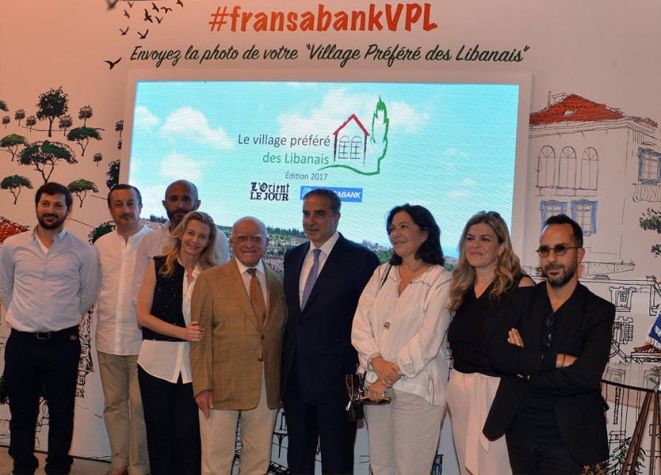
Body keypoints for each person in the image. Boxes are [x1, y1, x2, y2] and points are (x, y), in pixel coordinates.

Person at [483, 214, 615, 474]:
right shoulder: (519, 300)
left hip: (570, 435)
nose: (551, 258)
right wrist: (554, 360)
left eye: (560, 249)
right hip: (519, 427)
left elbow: (586, 375)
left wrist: (525, 368)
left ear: (579, 254)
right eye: (544, 250)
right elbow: (498, 355)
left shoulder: (599, 311)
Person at [0, 182, 97, 475]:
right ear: (37, 206)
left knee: (61, 412)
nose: (50, 210)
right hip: (22, 342)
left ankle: (57, 467)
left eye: (57, 205)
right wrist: (21, 315)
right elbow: (5, 287)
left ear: (68, 209)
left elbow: (87, 295)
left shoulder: (82, 250)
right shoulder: (12, 245)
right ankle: (22, 466)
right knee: (21, 411)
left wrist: (62, 317)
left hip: (62, 344)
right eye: (45, 204)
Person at [282, 188, 379, 474]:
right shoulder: (292, 256)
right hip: (296, 380)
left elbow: (369, 321)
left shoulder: (362, 260)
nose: (310, 221)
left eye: (319, 214)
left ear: (336, 217)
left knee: (337, 462)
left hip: (340, 383)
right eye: (306, 213)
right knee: (298, 460)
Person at [351, 204, 452, 475]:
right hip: (376, 388)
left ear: (425, 233)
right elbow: (360, 325)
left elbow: (427, 340)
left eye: (404, 226)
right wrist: (376, 361)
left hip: (417, 389)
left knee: (411, 469)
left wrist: (386, 377)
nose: (396, 233)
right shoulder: (382, 273)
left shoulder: (441, 280)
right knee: (380, 466)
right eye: (392, 228)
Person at [190, 217, 287, 475]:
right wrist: (202, 386)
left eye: (256, 238)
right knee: (216, 461)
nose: (249, 244)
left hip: (266, 388)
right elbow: (199, 338)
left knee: (258, 461)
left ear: (267, 242)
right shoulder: (209, 280)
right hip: (219, 387)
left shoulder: (280, 283)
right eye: (242, 238)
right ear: (231, 242)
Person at [446, 211, 534, 475]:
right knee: (466, 467)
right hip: (460, 388)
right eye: (470, 238)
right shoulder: (461, 286)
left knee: (496, 468)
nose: (475, 245)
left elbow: (532, 348)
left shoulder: (521, 286)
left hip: (498, 393)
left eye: (485, 239)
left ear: (501, 246)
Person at [135, 211, 219, 474]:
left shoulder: (213, 275)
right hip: (154, 364)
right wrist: (182, 333)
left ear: (209, 242)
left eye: (202, 236)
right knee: (159, 435)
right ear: (181, 233)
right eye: (191, 233)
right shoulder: (158, 265)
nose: (195, 240)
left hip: (195, 367)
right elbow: (142, 316)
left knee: (188, 437)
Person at [94, 184, 151, 475]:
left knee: (140, 409)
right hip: (107, 339)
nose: (125, 209)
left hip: (143, 342)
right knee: (114, 405)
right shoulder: (101, 244)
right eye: (118, 204)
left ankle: (139, 467)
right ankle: (118, 463)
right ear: (110, 209)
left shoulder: (155, 243)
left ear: (140, 206)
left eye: (130, 203)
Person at [133, 179, 229, 294]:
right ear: (165, 204)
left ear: (197, 204)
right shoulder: (150, 240)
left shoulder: (217, 238)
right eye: (174, 199)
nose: (180, 205)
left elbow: (223, 284)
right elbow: (138, 287)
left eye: (186, 199)